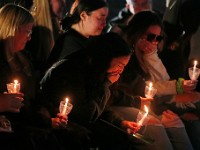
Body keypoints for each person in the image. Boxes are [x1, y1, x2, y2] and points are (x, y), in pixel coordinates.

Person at [110, 10, 194, 150]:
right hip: (125, 103)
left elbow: (163, 82)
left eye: (158, 38)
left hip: (150, 104)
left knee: (178, 125)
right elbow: (141, 88)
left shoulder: (148, 56)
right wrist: (177, 87)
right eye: (150, 37)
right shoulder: (124, 55)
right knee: (159, 127)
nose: (154, 42)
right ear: (137, 34)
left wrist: (152, 56)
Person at [45, 0, 108, 70]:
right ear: (83, 16)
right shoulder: (70, 44)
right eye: (100, 18)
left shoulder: (86, 40)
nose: (104, 24)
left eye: (105, 19)